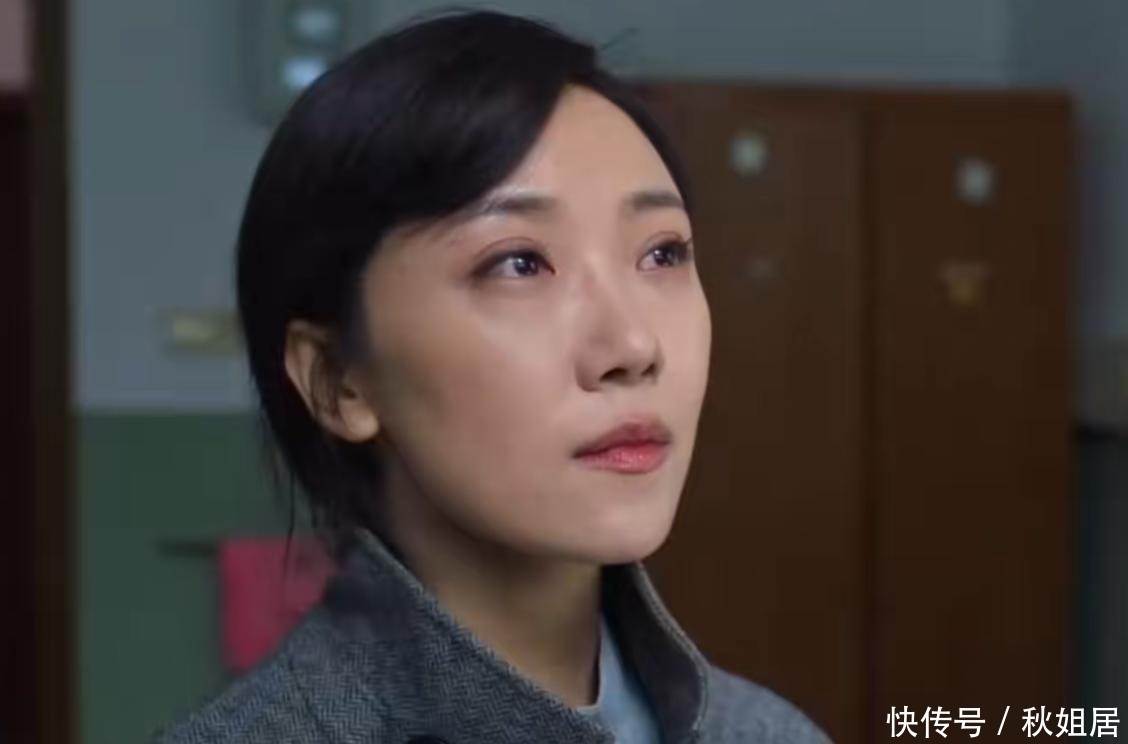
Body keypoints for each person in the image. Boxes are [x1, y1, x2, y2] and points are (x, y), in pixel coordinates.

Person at [156, 10, 832, 744]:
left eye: (662, 253)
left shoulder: (768, 733)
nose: (633, 345)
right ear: (338, 380)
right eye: (519, 263)